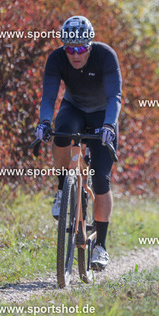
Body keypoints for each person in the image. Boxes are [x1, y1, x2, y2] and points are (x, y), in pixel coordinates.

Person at [34, 15, 122, 271]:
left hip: (102, 114)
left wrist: (109, 125)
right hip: (73, 108)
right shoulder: (56, 58)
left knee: (101, 179)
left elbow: (115, 96)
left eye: (81, 49)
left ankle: (101, 246)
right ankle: (63, 188)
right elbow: (48, 97)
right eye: (70, 49)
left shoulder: (105, 56)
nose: (75, 55)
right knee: (61, 132)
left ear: (90, 46)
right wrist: (44, 122)